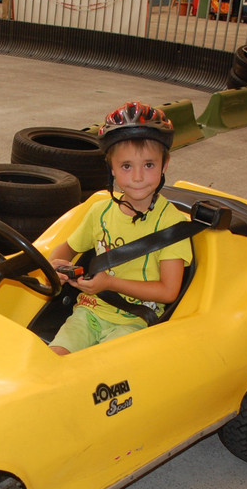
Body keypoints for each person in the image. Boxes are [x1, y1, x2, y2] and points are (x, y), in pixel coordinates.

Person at [47, 102, 192, 356]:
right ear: (111, 168)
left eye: (149, 165)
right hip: (89, 312)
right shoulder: (99, 212)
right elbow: (66, 249)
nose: (137, 177)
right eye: (126, 166)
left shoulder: (171, 224)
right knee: (53, 360)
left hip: (135, 321)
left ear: (164, 164)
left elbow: (168, 291)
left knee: (97, 368)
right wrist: (54, 266)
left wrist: (110, 283)